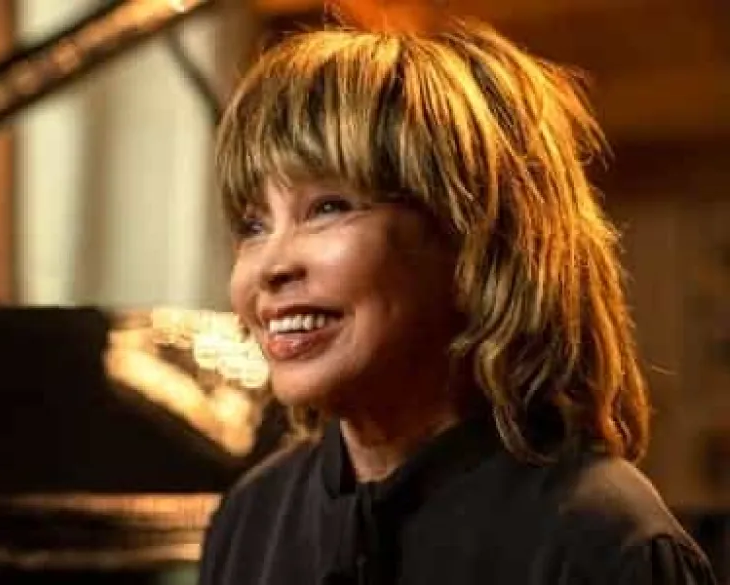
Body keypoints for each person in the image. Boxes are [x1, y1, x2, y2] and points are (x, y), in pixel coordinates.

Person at [198, 19, 717, 585]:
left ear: (474, 240)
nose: (270, 267)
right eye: (253, 225)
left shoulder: (607, 543)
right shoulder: (250, 516)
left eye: (328, 207)